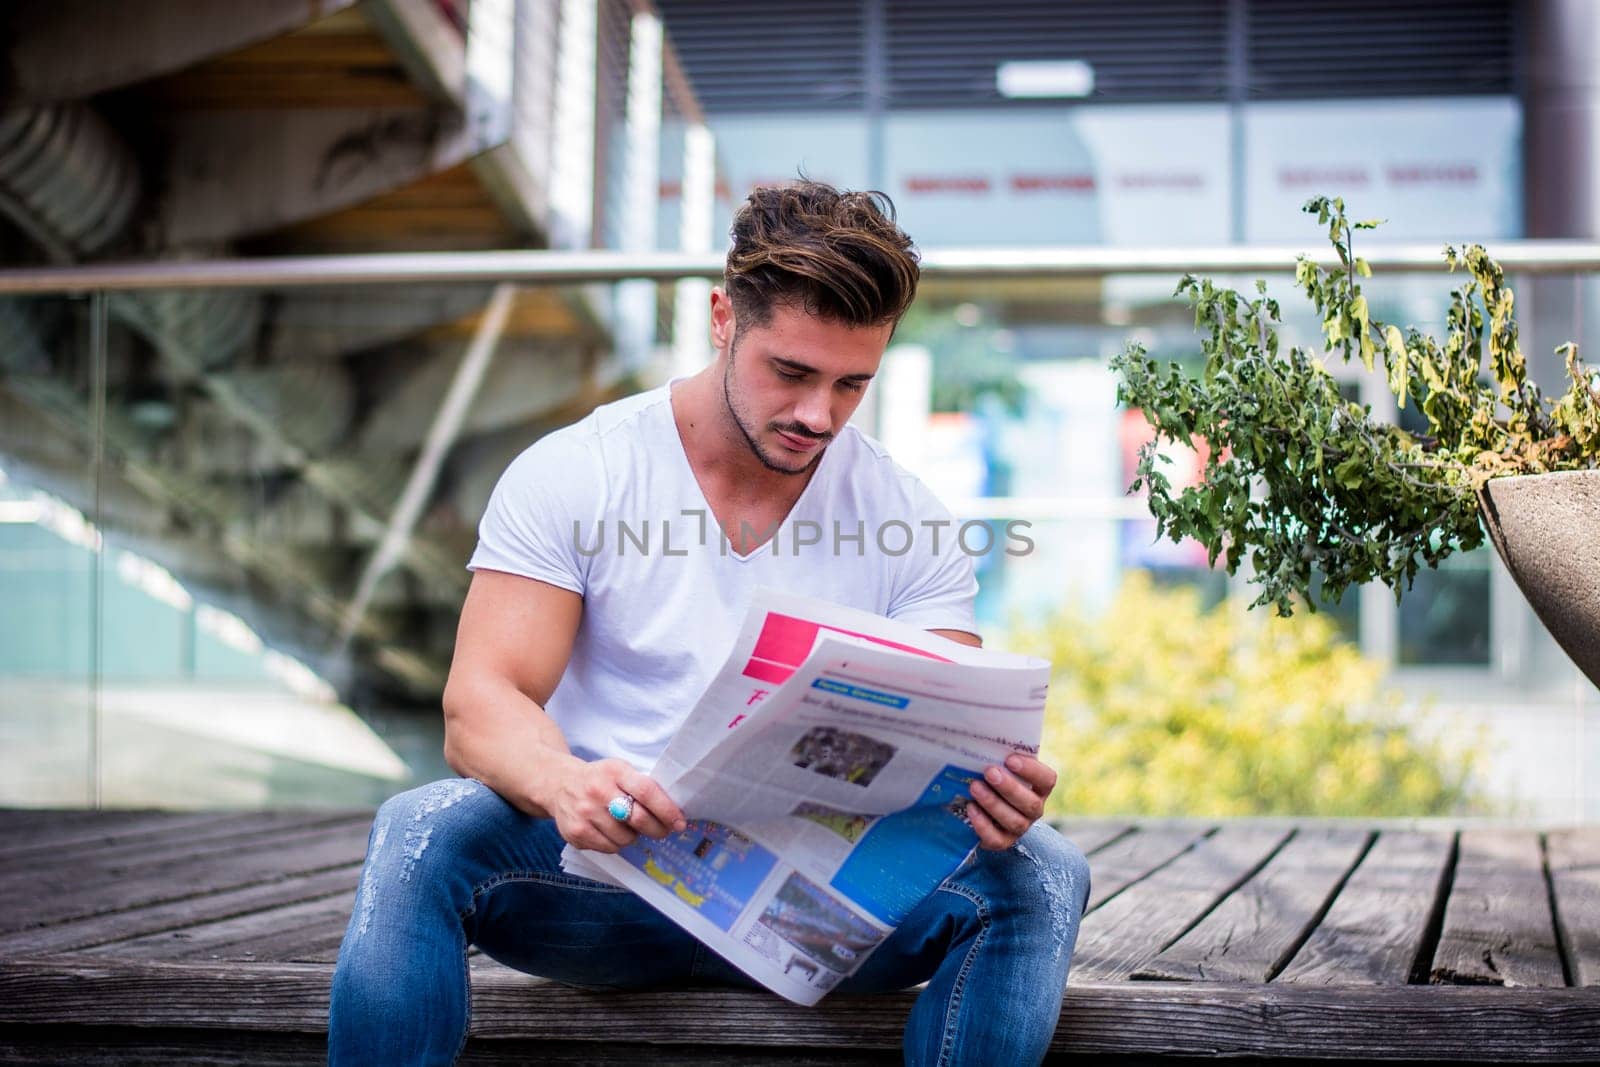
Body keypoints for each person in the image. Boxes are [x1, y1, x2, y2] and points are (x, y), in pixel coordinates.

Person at [328, 180, 1091, 1066]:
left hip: (819, 912)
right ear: (724, 318)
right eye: (793, 373)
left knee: (1042, 872)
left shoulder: (909, 518)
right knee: (421, 830)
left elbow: (945, 741)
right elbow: (478, 704)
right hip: (601, 885)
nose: (819, 415)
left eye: (853, 384)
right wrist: (562, 781)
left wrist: (988, 792)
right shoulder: (580, 473)